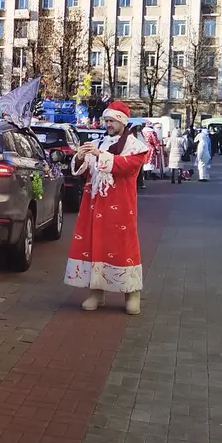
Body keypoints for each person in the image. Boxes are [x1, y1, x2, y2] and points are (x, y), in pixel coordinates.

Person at [64, 101, 149, 316]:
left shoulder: (135, 146)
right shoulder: (99, 142)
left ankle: (132, 293)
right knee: (95, 244)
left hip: (121, 205)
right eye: (106, 120)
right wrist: (80, 158)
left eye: (112, 121)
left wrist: (99, 155)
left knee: (124, 247)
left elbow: (125, 167)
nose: (108, 124)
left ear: (122, 122)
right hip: (94, 204)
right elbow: (86, 172)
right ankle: (96, 291)